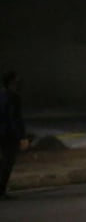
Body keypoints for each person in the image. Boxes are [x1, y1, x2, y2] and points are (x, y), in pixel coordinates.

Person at [0, 70, 30, 199]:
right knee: (7, 163)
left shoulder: (2, 95)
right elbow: (15, 119)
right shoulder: (13, 97)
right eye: (17, 81)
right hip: (9, 135)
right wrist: (22, 137)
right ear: (11, 82)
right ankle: (1, 191)